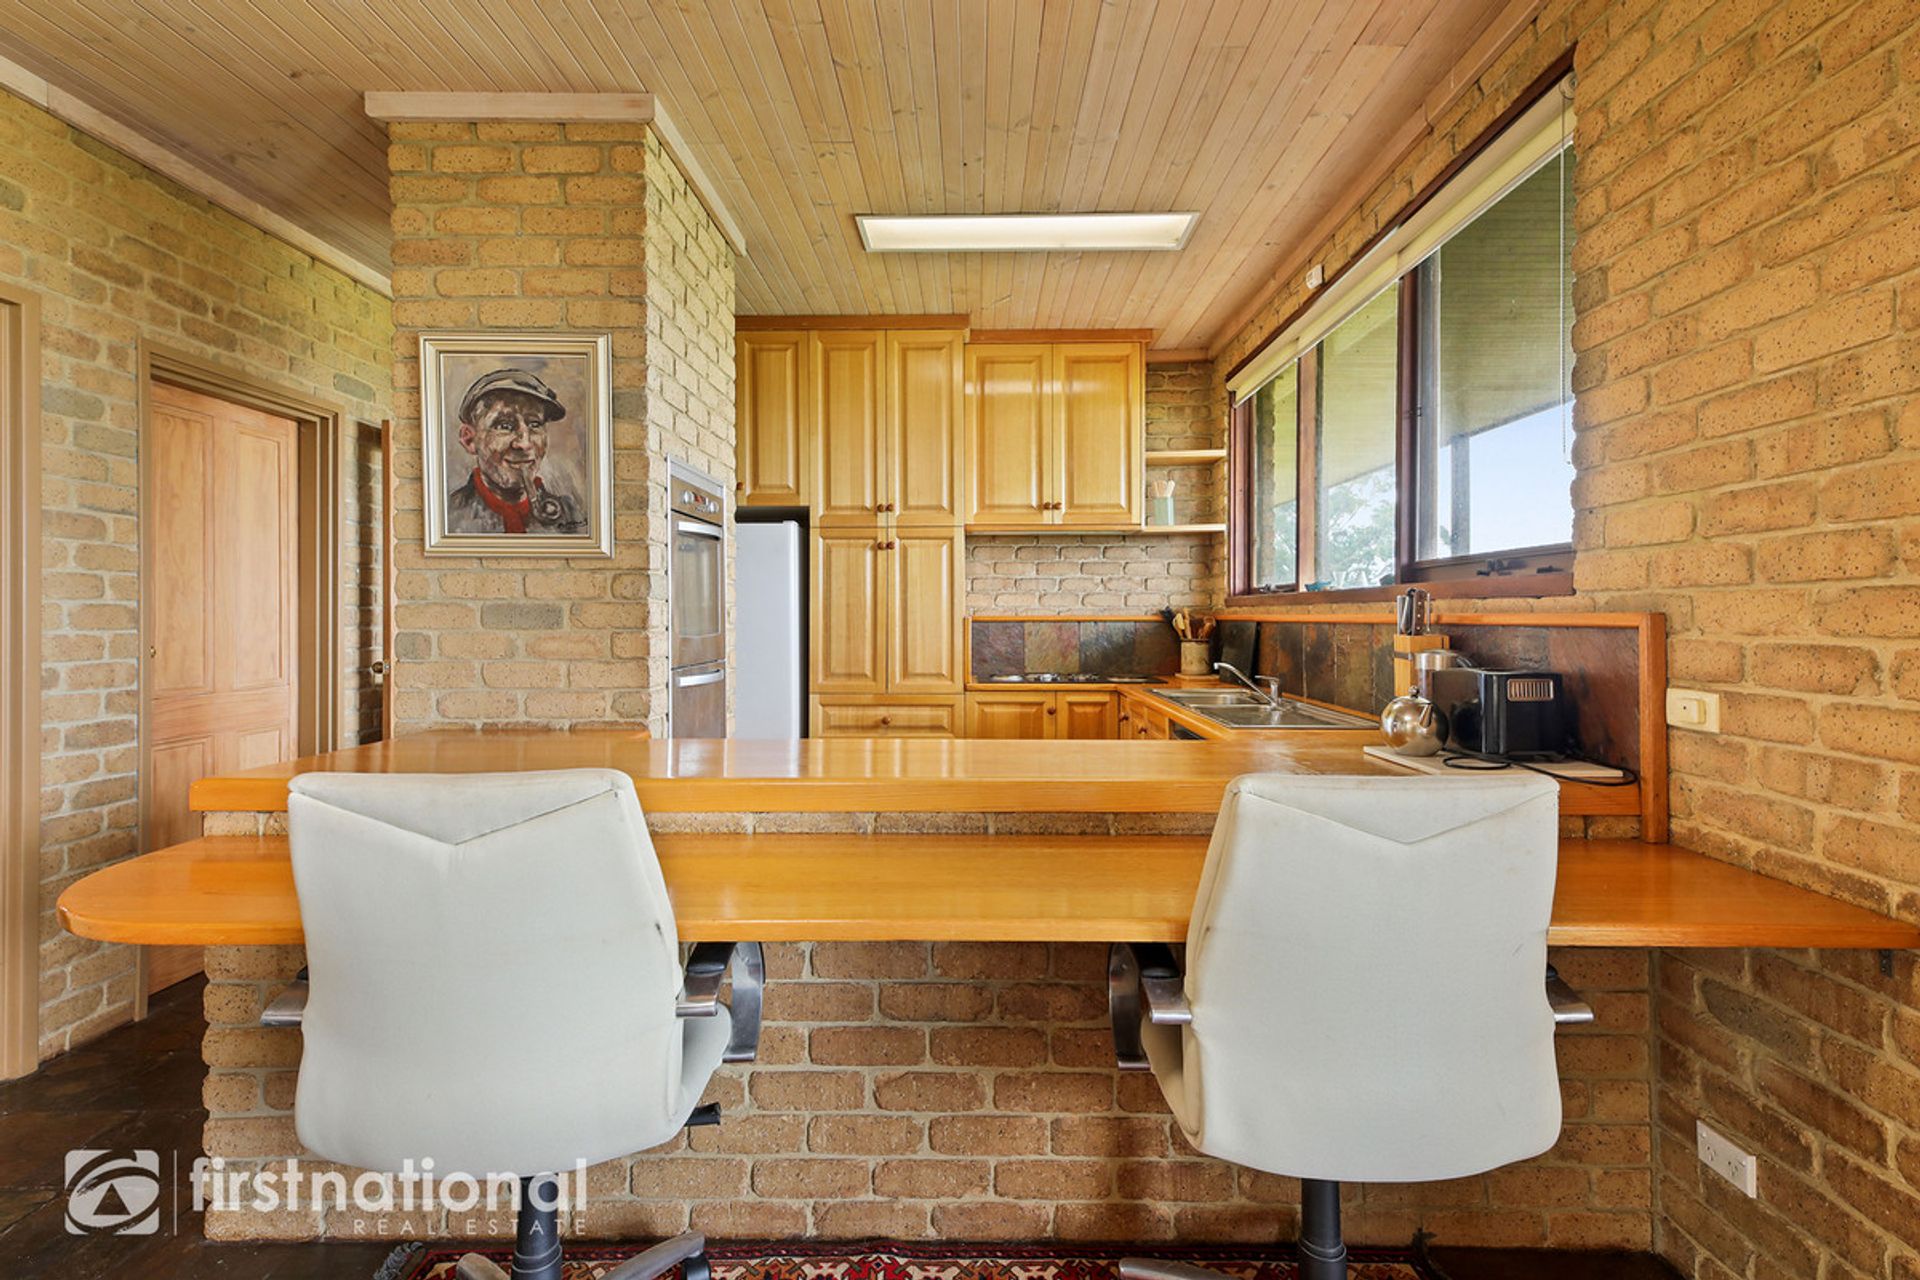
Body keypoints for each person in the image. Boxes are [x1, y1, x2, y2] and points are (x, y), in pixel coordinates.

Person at [444, 368, 586, 535]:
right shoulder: (448, 516)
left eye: (535, 424)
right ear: (469, 440)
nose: (524, 444)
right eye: (504, 426)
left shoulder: (569, 513)